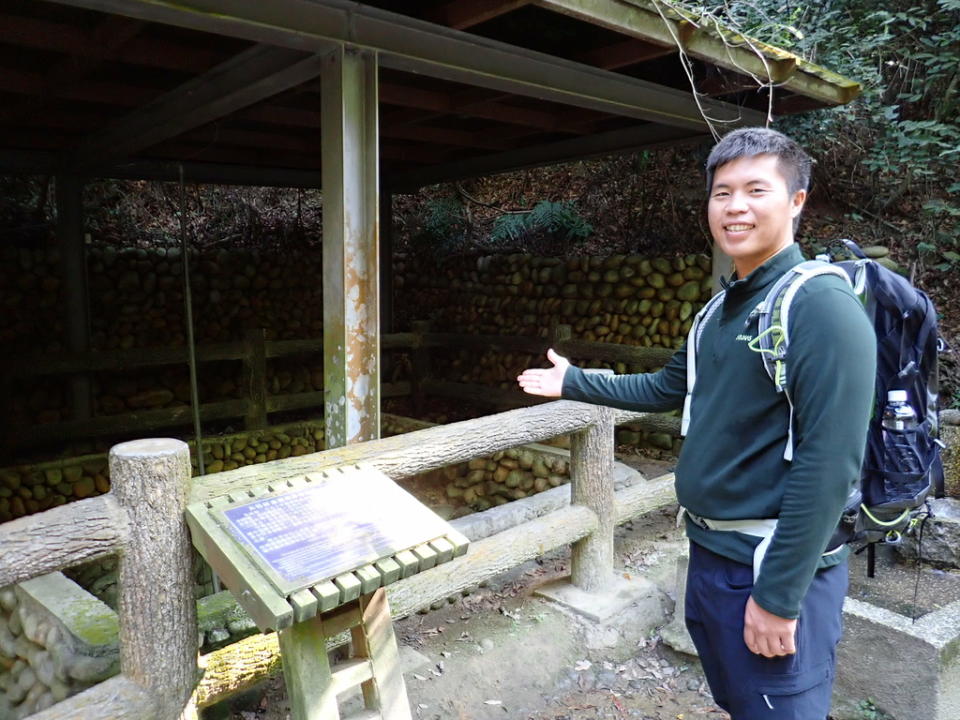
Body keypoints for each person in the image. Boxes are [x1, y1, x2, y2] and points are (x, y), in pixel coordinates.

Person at [517, 127, 876, 719]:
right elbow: (666, 388)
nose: (735, 207)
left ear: (797, 201)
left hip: (770, 564)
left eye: (756, 190)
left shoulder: (819, 307)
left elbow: (830, 462)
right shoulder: (721, 306)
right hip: (711, 555)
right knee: (740, 703)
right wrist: (575, 382)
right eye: (722, 192)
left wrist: (780, 598)